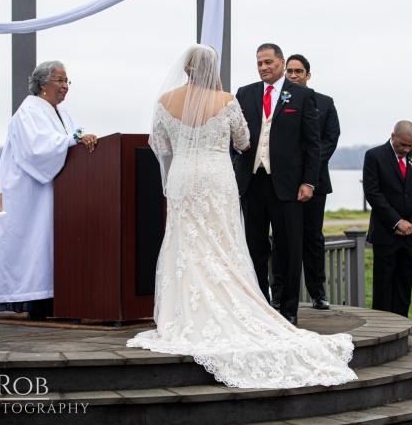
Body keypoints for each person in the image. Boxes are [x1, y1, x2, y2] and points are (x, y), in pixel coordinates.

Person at [127, 44, 355, 389]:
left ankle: (182, 315)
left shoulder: (165, 102)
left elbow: (159, 145)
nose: (262, 66)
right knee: (225, 245)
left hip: (184, 180)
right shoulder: (228, 99)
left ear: (186, 69)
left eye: (267, 61)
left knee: (185, 244)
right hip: (218, 180)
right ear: (211, 67)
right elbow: (244, 140)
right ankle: (243, 305)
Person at [0, 61, 97, 319]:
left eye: (67, 81)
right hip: (30, 191)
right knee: (34, 243)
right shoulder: (28, 112)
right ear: (43, 83)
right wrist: (73, 139)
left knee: (49, 243)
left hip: (54, 189)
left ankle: (59, 298)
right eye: (59, 80)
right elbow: (37, 149)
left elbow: (67, 143)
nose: (65, 86)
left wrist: (82, 142)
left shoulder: (62, 113)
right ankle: (36, 301)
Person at [233, 43, 321, 326]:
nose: (263, 67)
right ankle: (260, 304)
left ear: (281, 63)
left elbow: (312, 144)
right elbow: (234, 136)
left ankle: (289, 309)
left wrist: (309, 182)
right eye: (259, 63)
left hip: (288, 184)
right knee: (254, 246)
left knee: (289, 248)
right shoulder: (244, 94)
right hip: (252, 181)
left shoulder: (302, 96)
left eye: (268, 62)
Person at [271, 54, 340, 310]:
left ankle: (317, 293)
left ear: (308, 75)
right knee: (280, 240)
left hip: (315, 182)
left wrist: (308, 173)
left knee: (313, 238)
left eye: (298, 71)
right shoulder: (277, 100)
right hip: (283, 182)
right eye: (289, 71)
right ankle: (277, 293)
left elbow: (330, 140)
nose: (293, 75)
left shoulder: (325, 102)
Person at [362, 121, 412, 317]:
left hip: (411, 236)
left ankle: (402, 332)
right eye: (403, 145)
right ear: (392, 136)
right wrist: (396, 221)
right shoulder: (374, 156)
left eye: (410, 145)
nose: (407, 149)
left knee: (404, 288)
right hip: (386, 234)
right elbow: (373, 193)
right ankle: (383, 333)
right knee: (383, 289)